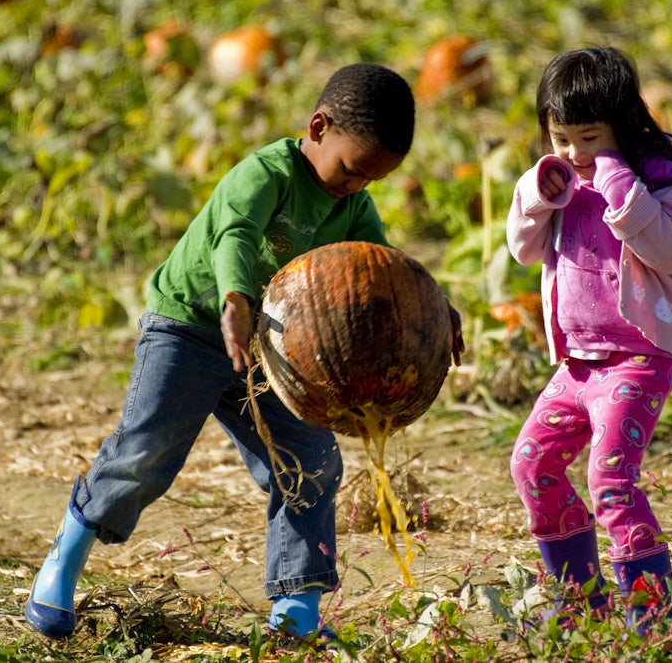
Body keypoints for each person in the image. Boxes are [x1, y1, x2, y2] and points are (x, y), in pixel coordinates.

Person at [24, 62, 463, 642]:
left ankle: (296, 608)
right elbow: (234, 234)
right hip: (191, 326)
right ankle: (65, 555)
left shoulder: (352, 204)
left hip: (271, 348)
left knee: (310, 463)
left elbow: (380, 267)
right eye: (352, 171)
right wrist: (235, 299)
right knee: (146, 452)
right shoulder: (266, 173)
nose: (356, 187)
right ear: (318, 126)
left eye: (370, 181)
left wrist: (431, 307)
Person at [505, 46, 672, 635]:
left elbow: (669, 252)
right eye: (561, 138)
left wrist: (620, 187)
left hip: (640, 356)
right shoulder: (558, 177)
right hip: (578, 363)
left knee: (610, 478)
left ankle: (655, 619)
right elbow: (522, 248)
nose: (574, 153)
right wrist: (540, 194)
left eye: (588, 138)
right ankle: (581, 603)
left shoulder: (657, 178)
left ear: (621, 122)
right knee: (532, 465)